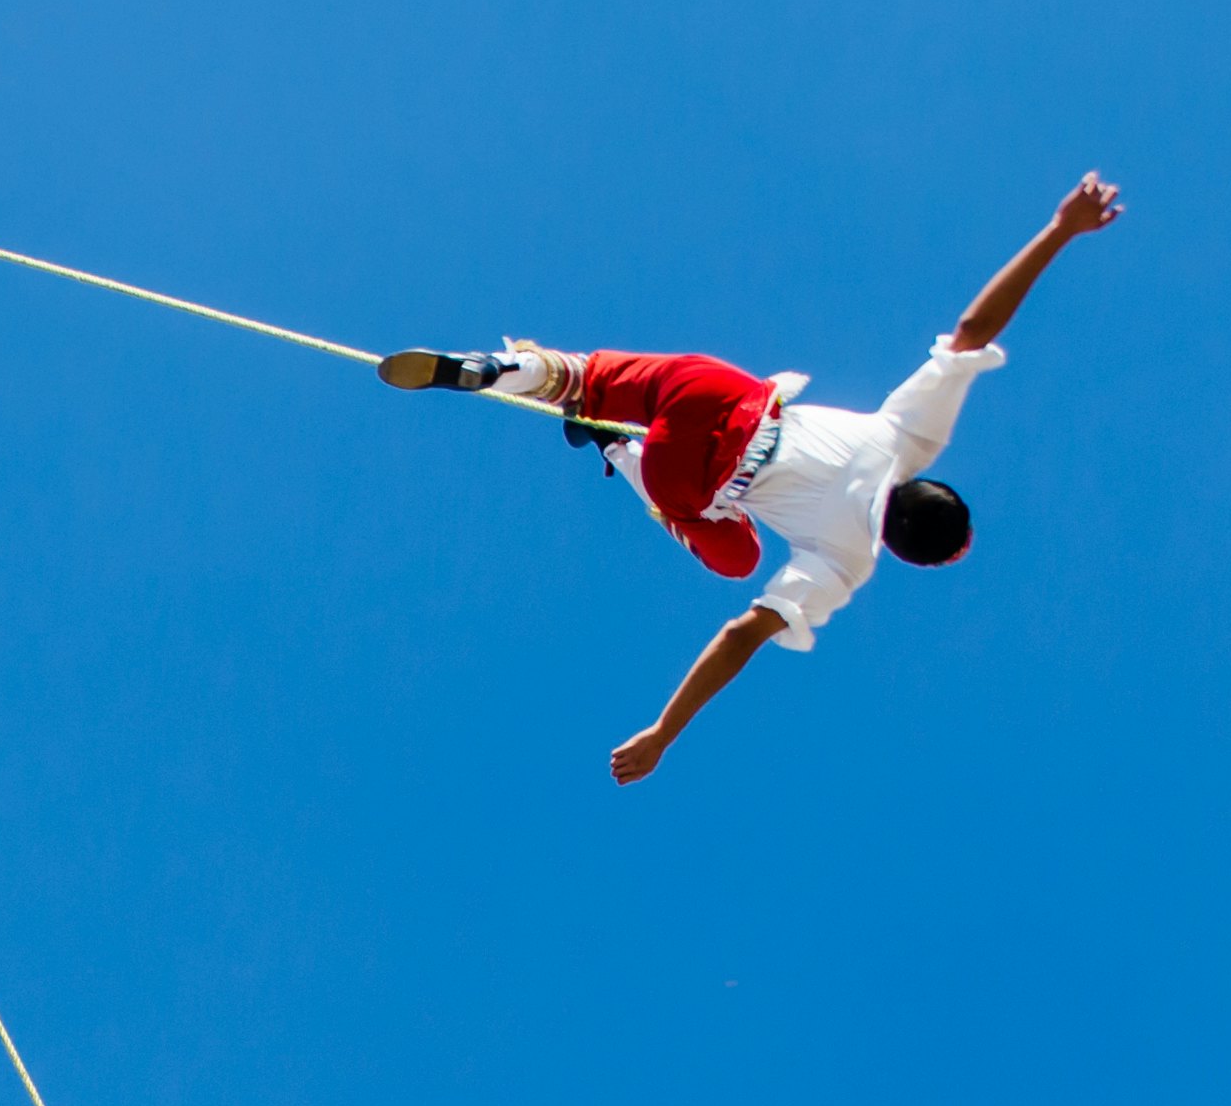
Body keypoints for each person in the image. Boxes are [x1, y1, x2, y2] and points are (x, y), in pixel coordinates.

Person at [386, 174, 1123, 783]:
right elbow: (742, 635)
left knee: (586, 378)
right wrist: (662, 733)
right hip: (692, 477)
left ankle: (505, 369)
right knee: (735, 558)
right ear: (897, 548)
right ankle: (615, 452)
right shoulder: (847, 562)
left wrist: (1059, 229)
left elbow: (972, 331)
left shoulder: (909, 437)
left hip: (722, 394)